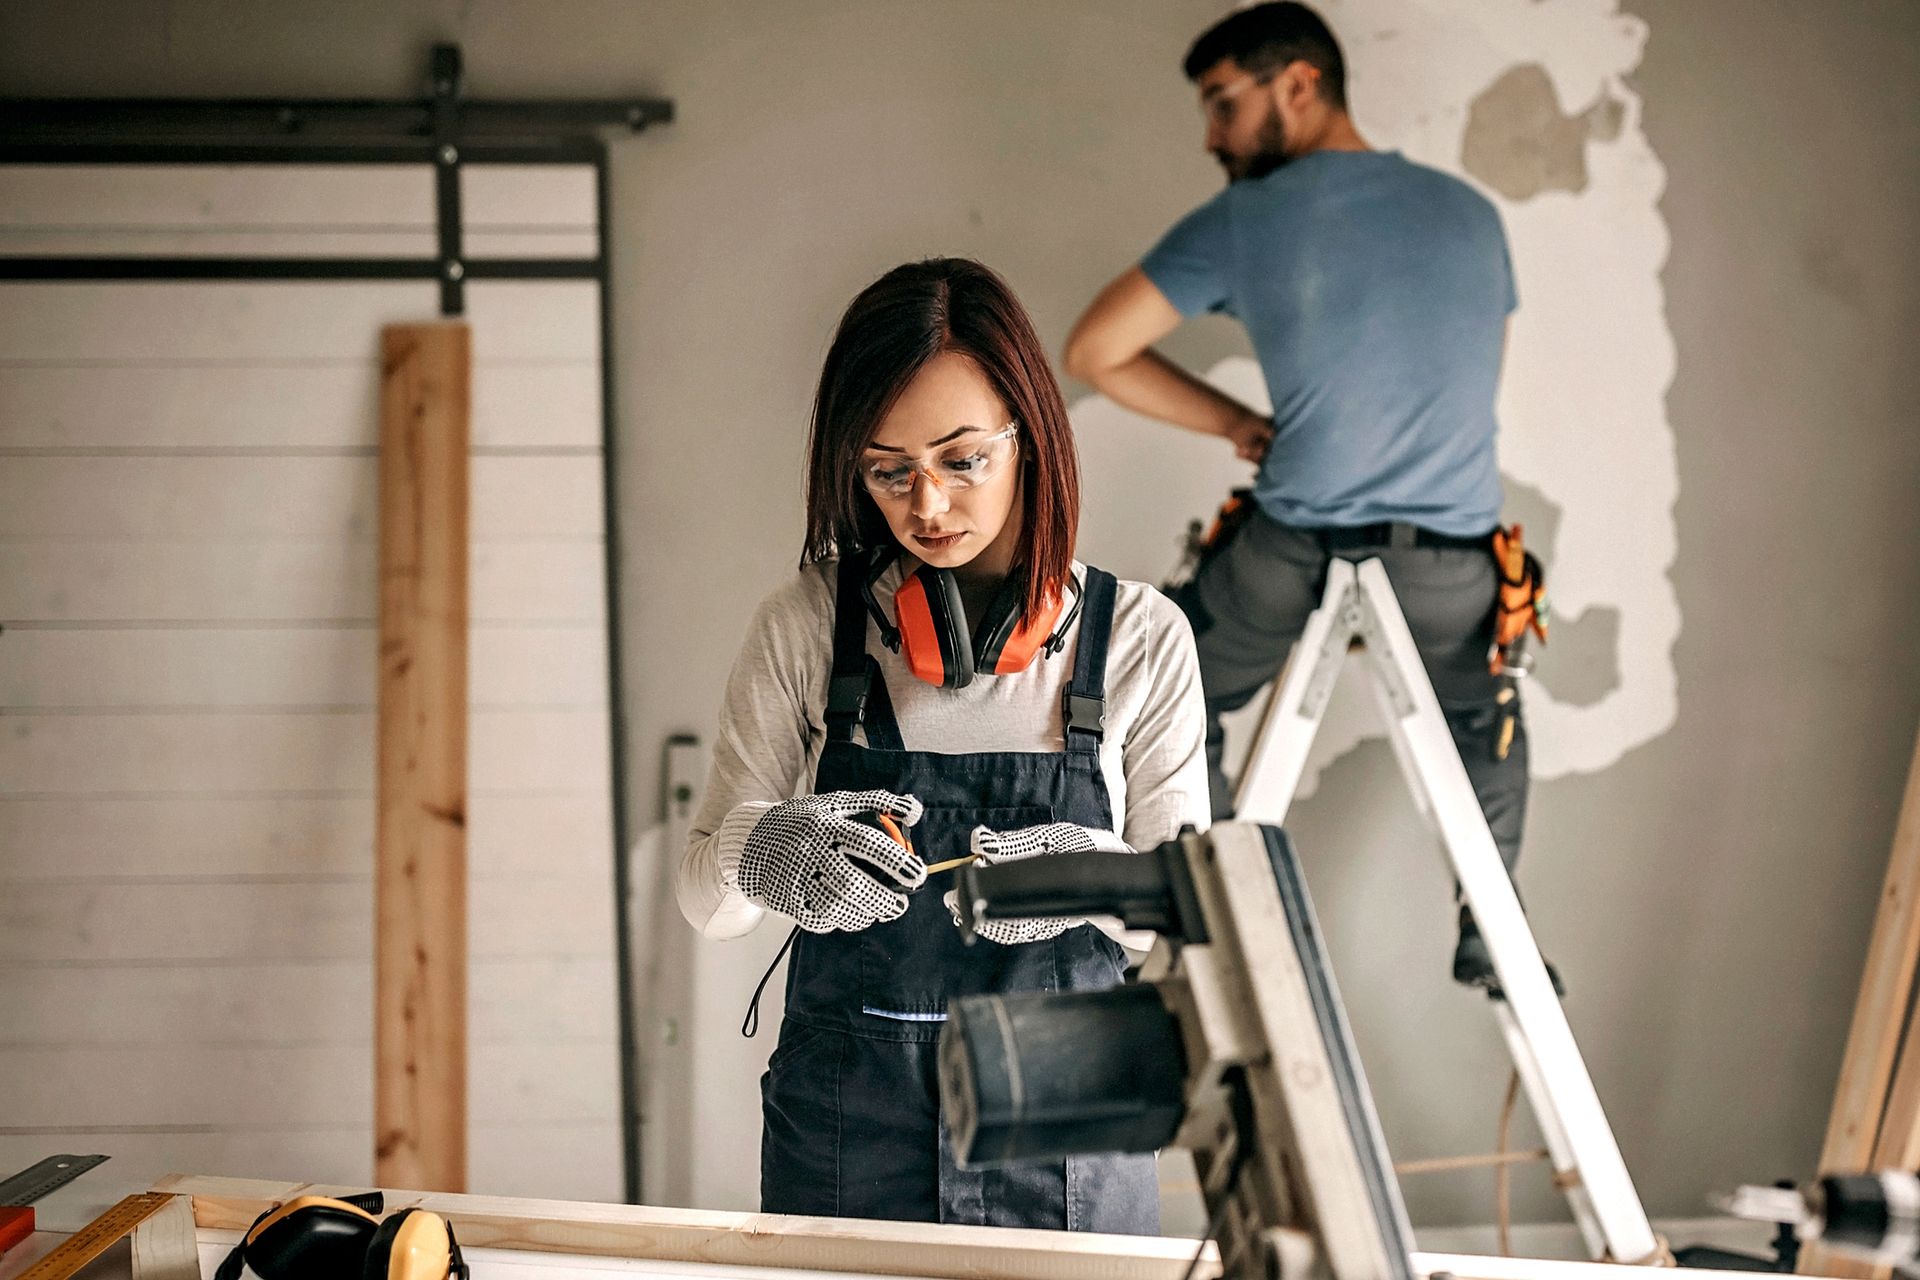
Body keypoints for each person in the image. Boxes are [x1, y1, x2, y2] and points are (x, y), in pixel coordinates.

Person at [678, 257, 1208, 1231]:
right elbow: (703, 895)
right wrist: (761, 849)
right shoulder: (807, 627)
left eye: (964, 458)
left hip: (1068, 1144)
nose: (927, 507)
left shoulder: (1140, 640)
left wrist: (1095, 873)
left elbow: (1189, 920)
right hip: (848, 1143)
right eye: (890, 470)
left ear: (1031, 439)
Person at [1062, 2, 1539, 992]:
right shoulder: (1473, 214)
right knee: (1485, 717)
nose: (1211, 136)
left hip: (1294, 551)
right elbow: (1467, 380)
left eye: (1223, 103)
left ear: (1300, 84)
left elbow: (1091, 352)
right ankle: (1490, 926)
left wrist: (1236, 425)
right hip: (1451, 562)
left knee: (1168, 686)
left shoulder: (1242, 221)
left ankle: (1224, 906)